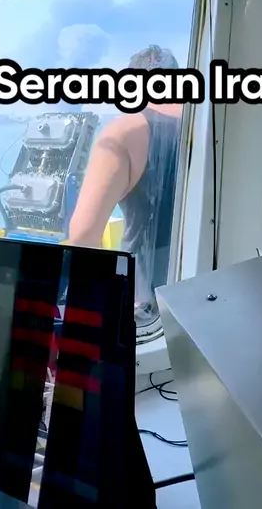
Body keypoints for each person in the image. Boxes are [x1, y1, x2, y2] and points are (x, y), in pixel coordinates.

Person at [68, 45, 183, 326]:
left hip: (146, 308)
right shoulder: (208, 126)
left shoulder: (124, 132)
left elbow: (84, 236)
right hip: (199, 292)